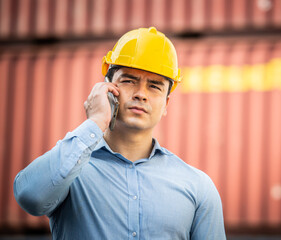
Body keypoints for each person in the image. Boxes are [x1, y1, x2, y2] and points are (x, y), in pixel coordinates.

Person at [14, 27, 226, 239]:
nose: (141, 94)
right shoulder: (69, 171)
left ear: (166, 104)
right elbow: (30, 198)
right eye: (129, 80)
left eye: (154, 86)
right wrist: (95, 122)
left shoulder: (198, 187)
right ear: (106, 88)